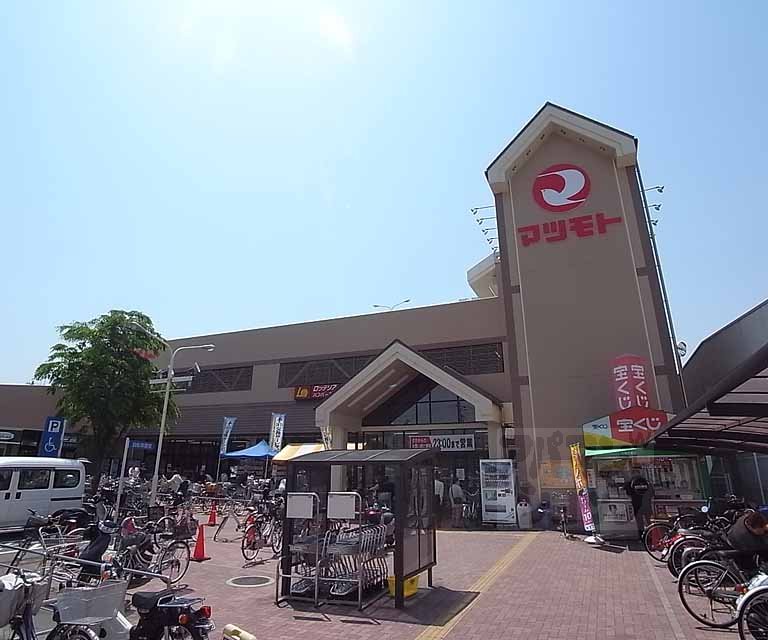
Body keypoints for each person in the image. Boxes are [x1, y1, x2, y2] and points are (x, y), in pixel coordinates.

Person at [625, 473, 654, 537]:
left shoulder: (631, 483)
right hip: (647, 504)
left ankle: (642, 536)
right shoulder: (647, 483)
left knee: (640, 523)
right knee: (649, 521)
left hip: (637, 506)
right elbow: (652, 493)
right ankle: (652, 535)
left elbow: (628, 493)